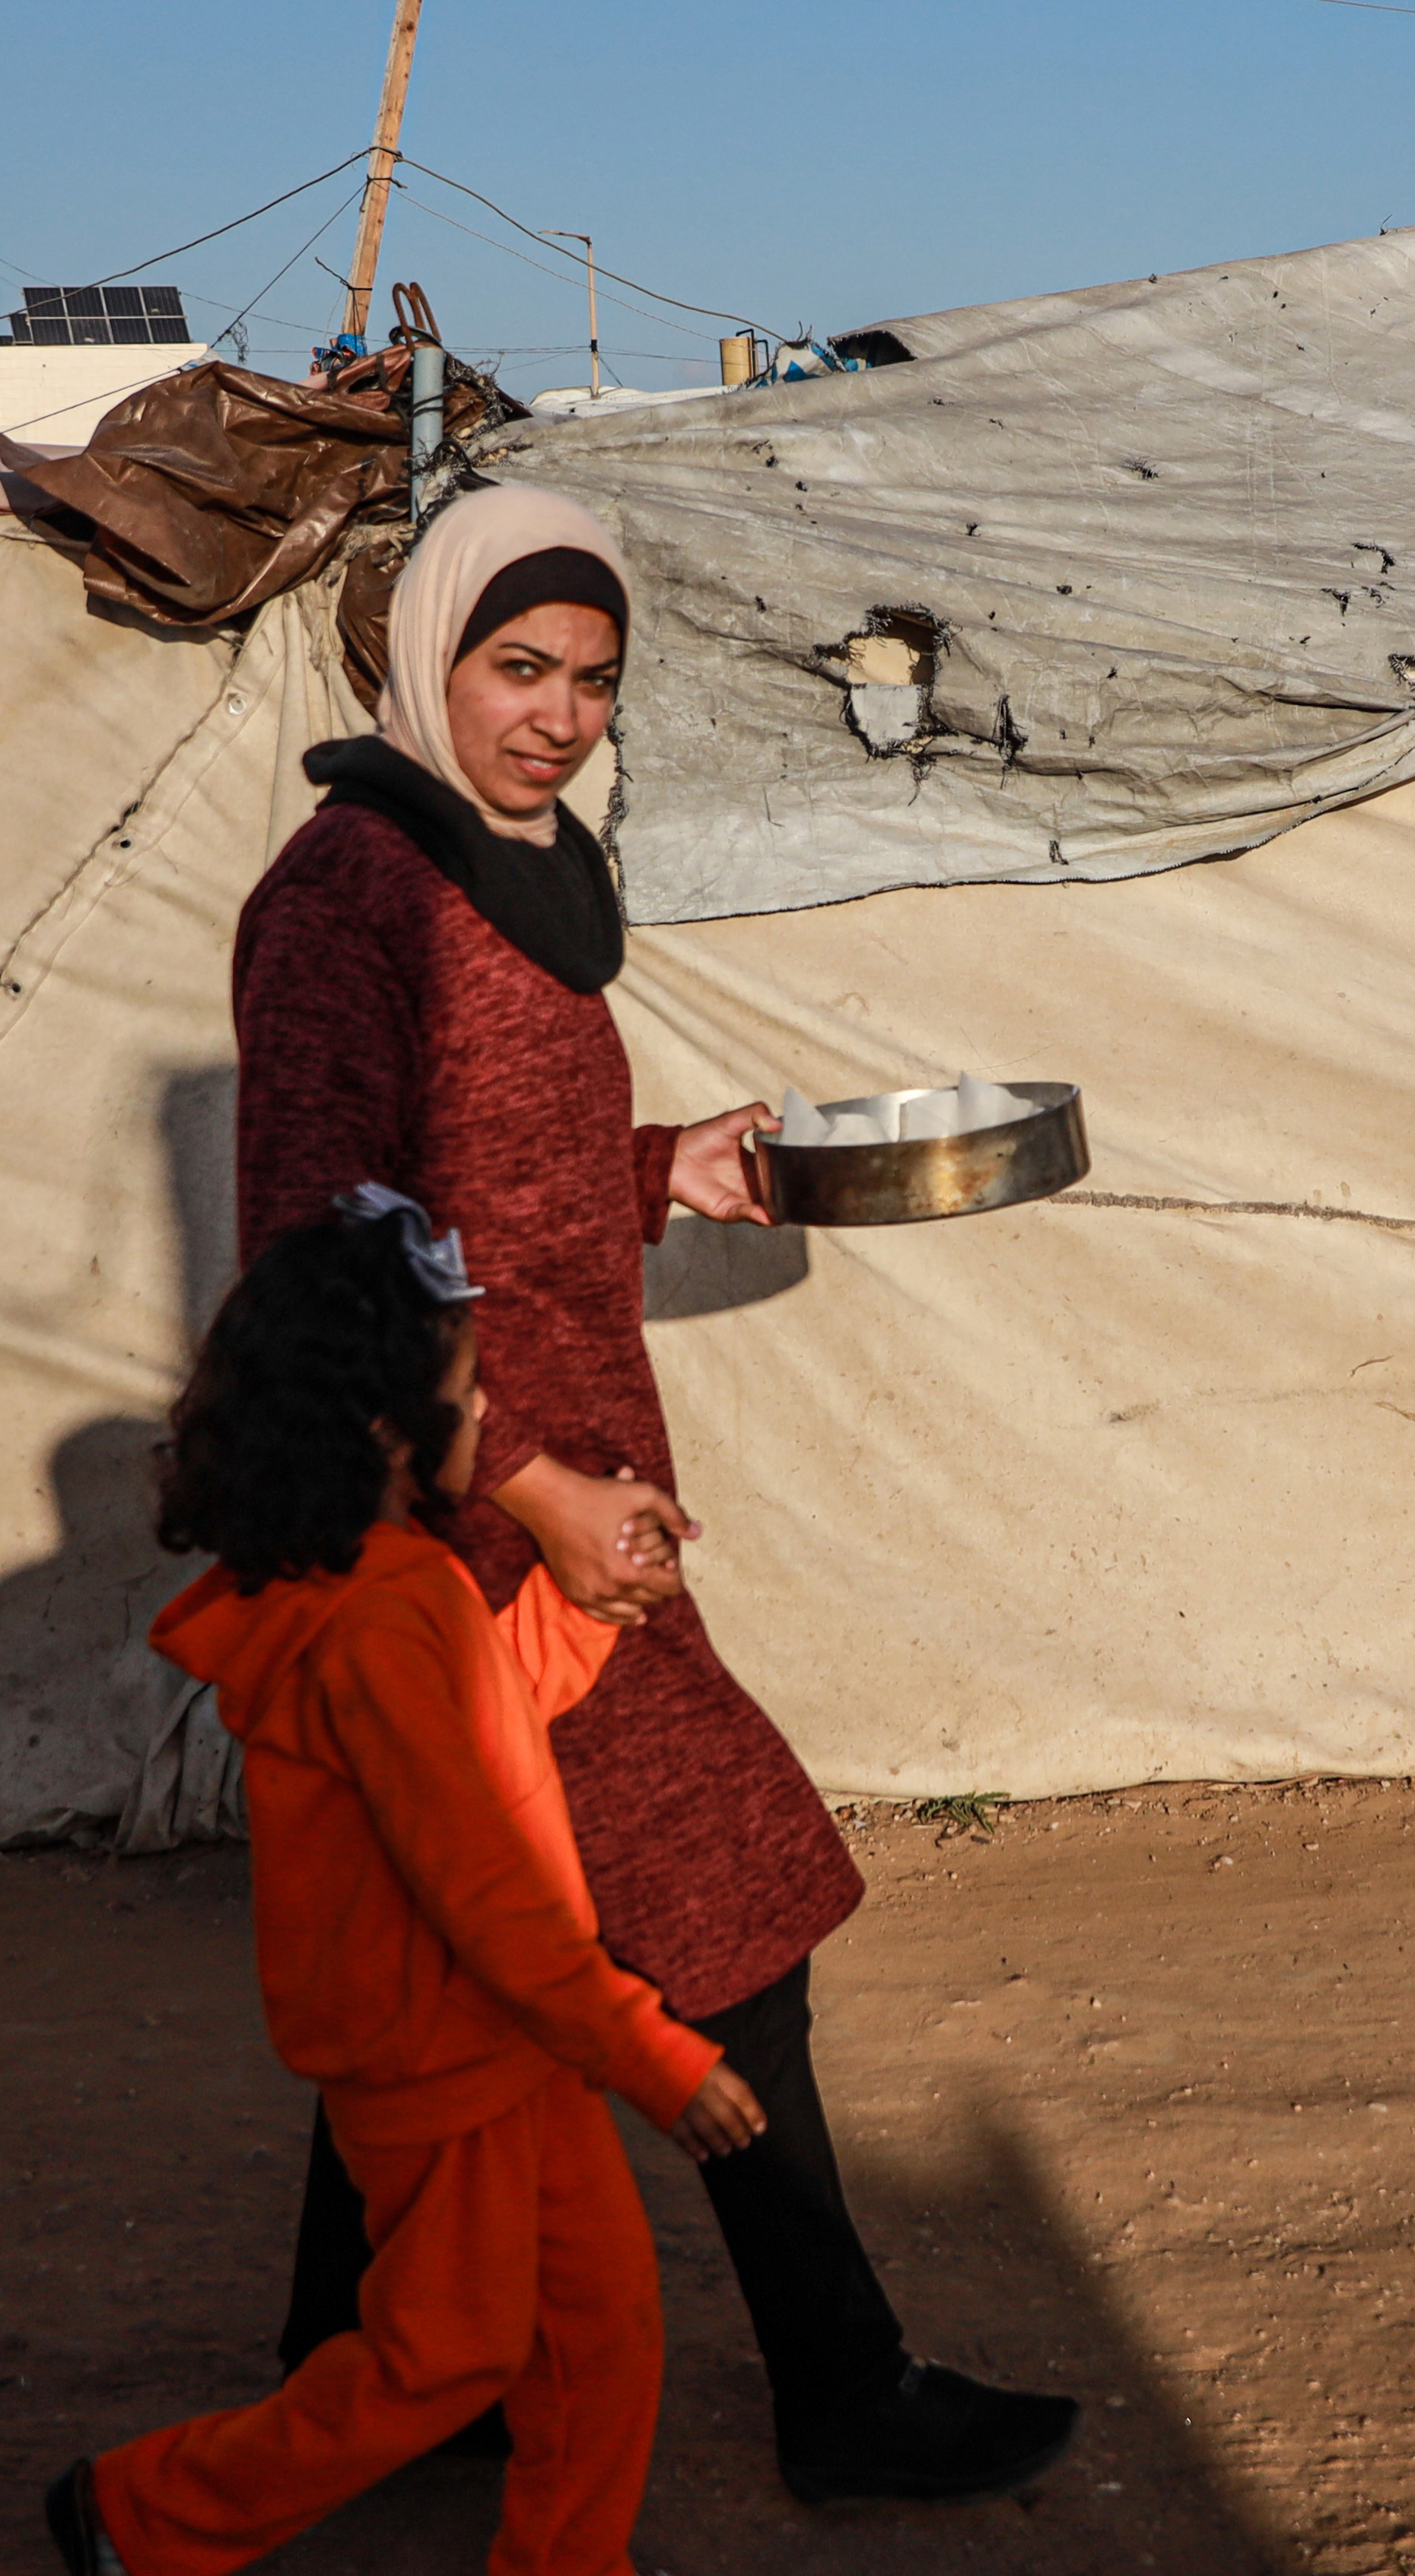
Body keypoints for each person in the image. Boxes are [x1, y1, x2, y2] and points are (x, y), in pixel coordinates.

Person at [230, 481, 1075, 2502]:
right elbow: (317, 1249)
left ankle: (357, 2372)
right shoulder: (346, 897)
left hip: (569, 1473)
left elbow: (480, 1167)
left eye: (593, 676)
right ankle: (844, 2385)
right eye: (517, 667)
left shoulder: (521, 866)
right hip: (462, 1515)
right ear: (421, 655)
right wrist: (523, 1485)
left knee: (453, 1929)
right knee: (720, 1919)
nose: (557, 713)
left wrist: (655, 1165)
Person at [51, 1191, 768, 2576]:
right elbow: (488, 1877)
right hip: (449, 2057)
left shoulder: (369, 1587)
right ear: (388, 1433)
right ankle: (139, 2514)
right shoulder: (383, 1611)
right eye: (465, 1385)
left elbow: (475, 1739)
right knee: (445, 2356)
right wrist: (648, 2050)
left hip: (499, 2042)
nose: (488, 1409)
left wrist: (578, 1606)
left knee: (599, 2327)